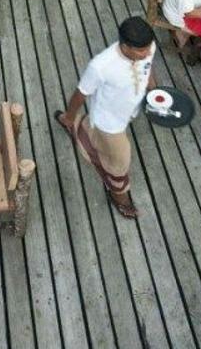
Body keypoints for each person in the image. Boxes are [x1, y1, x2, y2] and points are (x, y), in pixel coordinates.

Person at [53, 16, 156, 219]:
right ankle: (119, 197)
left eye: (148, 48)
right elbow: (81, 93)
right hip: (108, 123)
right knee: (119, 163)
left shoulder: (147, 48)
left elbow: (149, 67)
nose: (146, 54)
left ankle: (78, 127)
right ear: (124, 46)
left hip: (130, 110)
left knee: (106, 148)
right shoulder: (101, 66)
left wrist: (154, 92)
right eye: (141, 51)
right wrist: (68, 115)